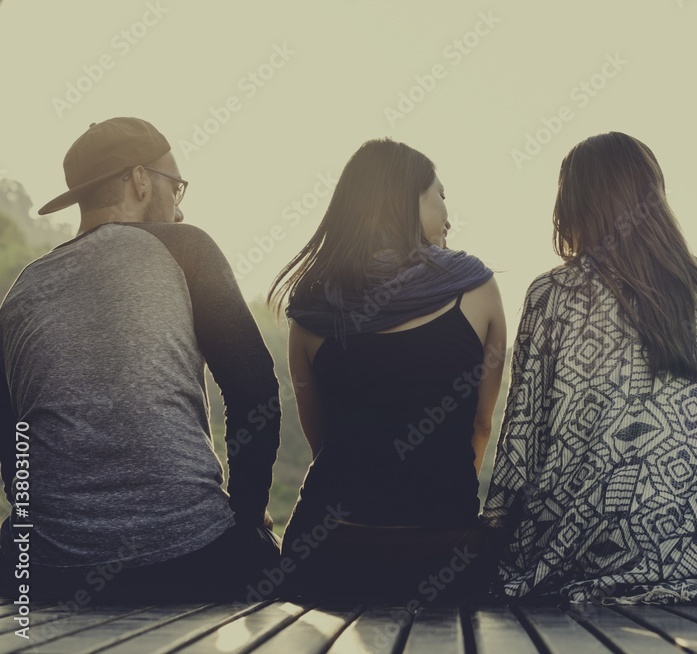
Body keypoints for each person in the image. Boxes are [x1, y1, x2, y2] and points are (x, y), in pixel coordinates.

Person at [483, 132, 697, 603]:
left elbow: (522, 442)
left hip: (580, 548)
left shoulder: (551, 295)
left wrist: (492, 531)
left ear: (573, 204)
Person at [0, 117, 281, 602]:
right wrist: (246, 518)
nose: (178, 207)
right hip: (191, 557)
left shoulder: (22, 290)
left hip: (47, 568)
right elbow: (255, 393)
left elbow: (10, 440)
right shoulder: (186, 246)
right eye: (178, 186)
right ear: (141, 180)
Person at [269, 138, 506, 602]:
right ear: (409, 198)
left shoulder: (310, 306)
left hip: (327, 550)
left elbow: (324, 440)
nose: (448, 216)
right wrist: (438, 494)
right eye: (441, 195)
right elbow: (480, 425)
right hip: (441, 552)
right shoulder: (476, 288)